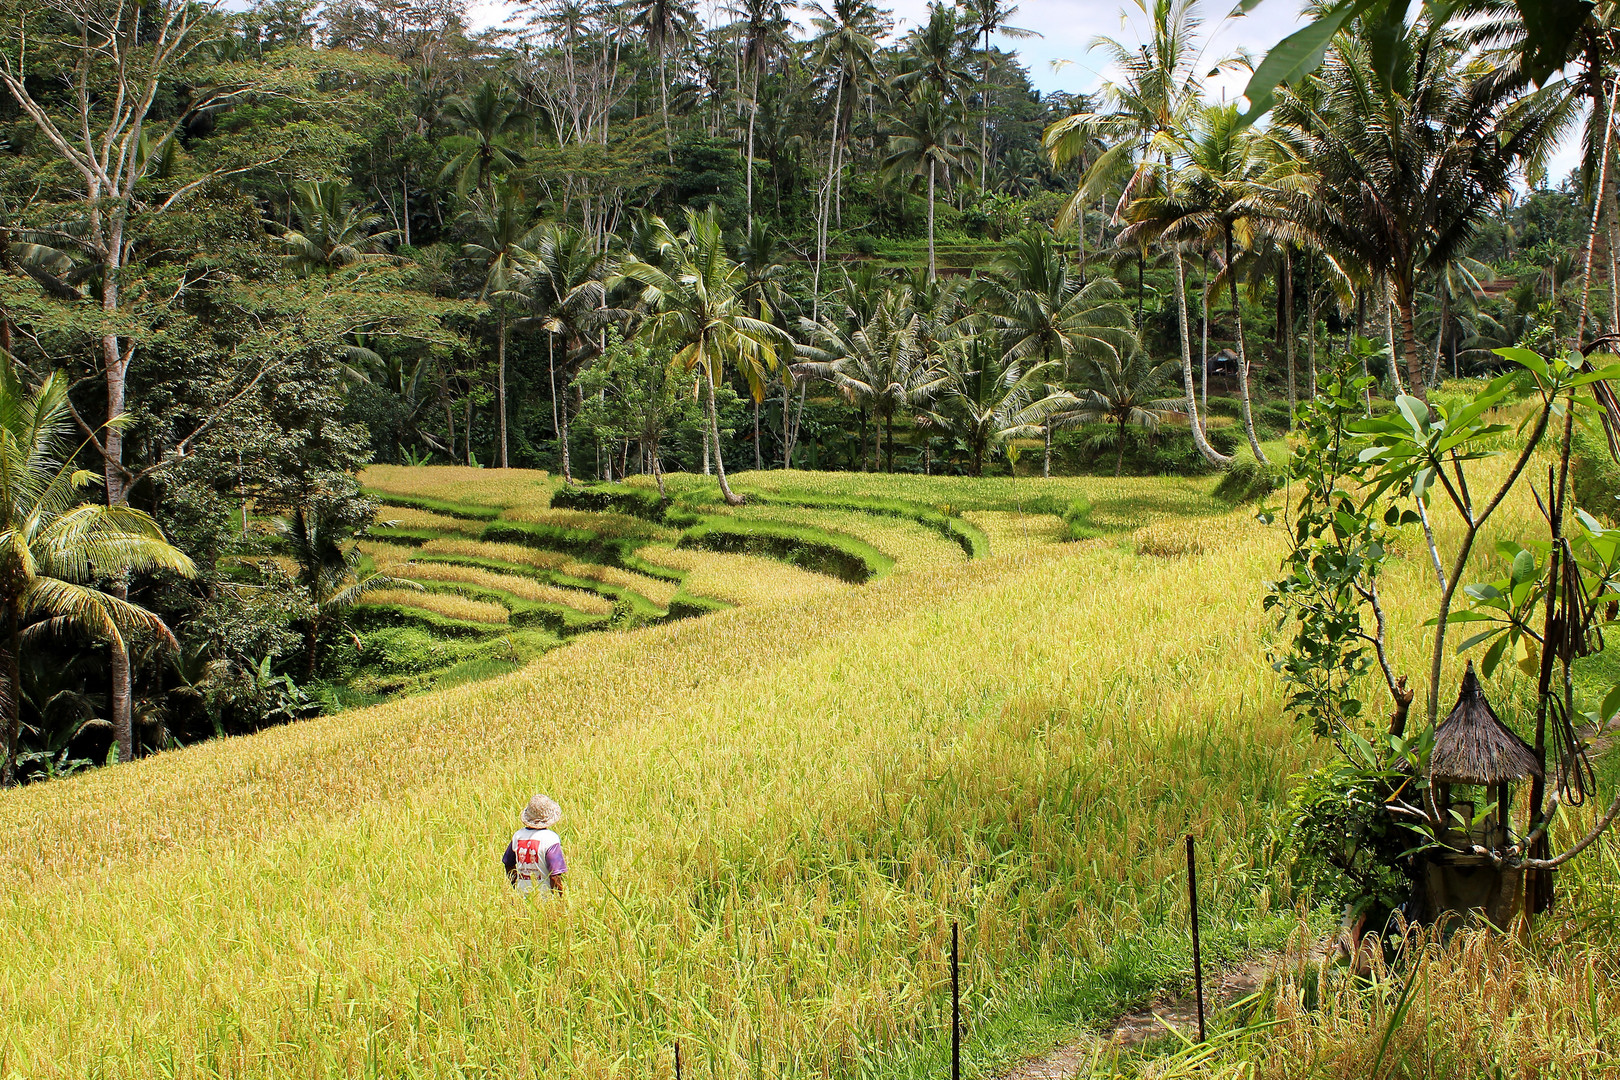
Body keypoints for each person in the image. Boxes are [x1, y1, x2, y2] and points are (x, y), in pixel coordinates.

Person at [503, 794, 567, 895]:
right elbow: (555, 875)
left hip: (522, 897)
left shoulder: (518, 836)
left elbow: (508, 863)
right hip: (544, 898)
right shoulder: (550, 839)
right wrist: (560, 901)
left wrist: (516, 885)